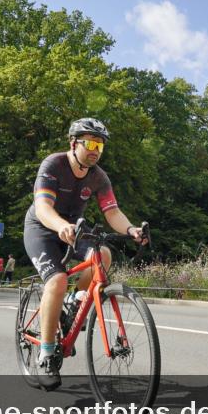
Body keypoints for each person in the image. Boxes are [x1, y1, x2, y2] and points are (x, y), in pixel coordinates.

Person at [22, 118, 147, 390]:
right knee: (56, 280)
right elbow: (42, 208)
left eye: (99, 146)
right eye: (90, 144)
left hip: (75, 229)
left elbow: (112, 212)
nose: (95, 150)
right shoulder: (53, 165)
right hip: (43, 228)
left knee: (103, 255)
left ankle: (73, 302)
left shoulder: (99, 176)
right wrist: (60, 226)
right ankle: (46, 354)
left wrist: (131, 230)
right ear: (73, 143)